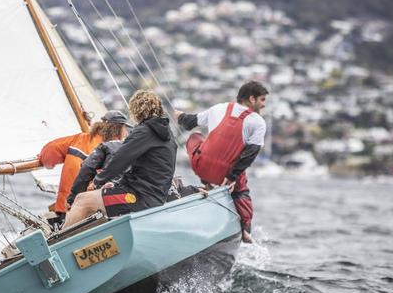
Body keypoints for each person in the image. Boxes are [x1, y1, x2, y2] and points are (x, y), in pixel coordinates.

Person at [62, 90, 177, 229]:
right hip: (155, 197)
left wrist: (99, 181)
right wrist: (117, 185)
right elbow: (150, 172)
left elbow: (119, 161)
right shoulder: (168, 136)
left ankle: (56, 245)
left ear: (136, 110)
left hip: (139, 198)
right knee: (94, 200)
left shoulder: (144, 131)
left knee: (82, 201)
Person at [174, 81, 268, 243]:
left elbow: (190, 123)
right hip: (226, 177)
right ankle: (246, 231)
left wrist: (179, 116)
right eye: (262, 100)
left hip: (201, 168)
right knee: (242, 191)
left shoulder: (219, 108)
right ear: (252, 99)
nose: (264, 105)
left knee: (195, 136)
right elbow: (250, 154)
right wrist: (231, 178)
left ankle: (207, 184)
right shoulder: (257, 122)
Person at [38, 112, 130, 225]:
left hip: (65, 207)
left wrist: (44, 161)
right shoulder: (118, 150)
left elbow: (49, 154)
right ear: (118, 129)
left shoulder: (79, 139)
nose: (126, 133)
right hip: (93, 212)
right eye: (125, 128)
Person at [66, 111, 130, 208]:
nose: (126, 132)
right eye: (125, 128)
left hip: (109, 197)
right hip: (133, 196)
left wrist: (72, 199)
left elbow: (86, 170)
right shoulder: (134, 147)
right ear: (120, 129)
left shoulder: (104, 147)